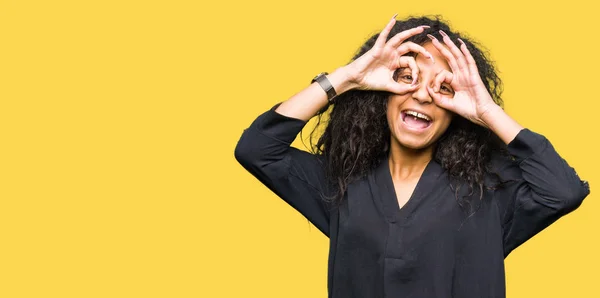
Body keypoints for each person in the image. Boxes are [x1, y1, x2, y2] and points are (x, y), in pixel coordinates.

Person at [234, 14, 589, 298]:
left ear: (457, 110)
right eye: (405, 77)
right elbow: (257, 150)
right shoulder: (340, 182)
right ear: (383, 93)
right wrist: (346, 79)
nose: (422, 95)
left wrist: (486, 111)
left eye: (443, 87)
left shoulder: (489, 191)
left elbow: (562, 191)